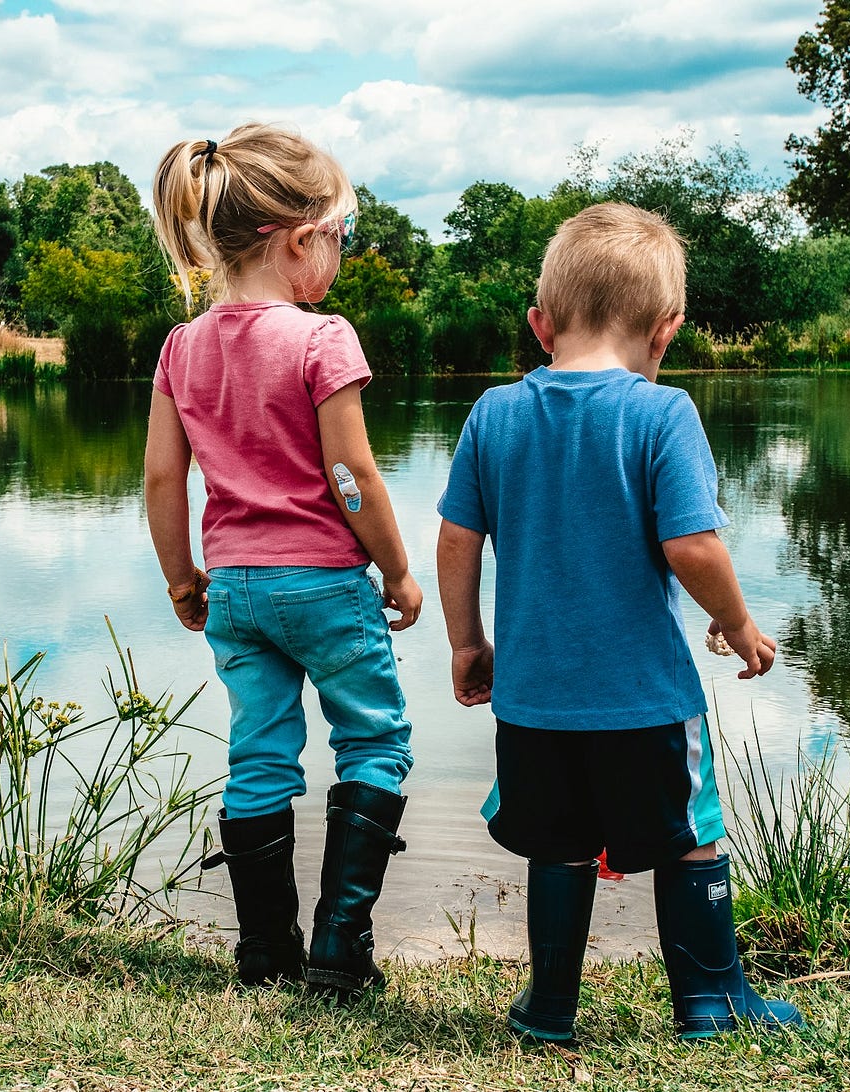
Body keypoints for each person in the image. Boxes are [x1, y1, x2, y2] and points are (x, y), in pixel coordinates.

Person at [435, 202, 804, 1040]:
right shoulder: (661, 413)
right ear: (667, 330)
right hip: (644, 698)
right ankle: (711, 1001)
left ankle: (550, 1008)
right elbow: (693, 545)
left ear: (540, 324)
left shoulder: (493, 413)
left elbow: (458, 538)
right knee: (691, 837)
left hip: (533, 701)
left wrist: (467, 641)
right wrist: (738, 625)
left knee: (557, 845)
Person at [144, 122, 421, 996]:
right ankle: (341, 950)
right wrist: (401, 570)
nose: (339, 255)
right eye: (339, 236)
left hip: (234, 590)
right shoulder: (320, 338)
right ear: (300, 239)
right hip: (324, 585)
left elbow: (161, 475)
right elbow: (350, 473)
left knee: (260, 756)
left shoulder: (181, 346)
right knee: (373, 741)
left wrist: (181, 578)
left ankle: (265, 951)